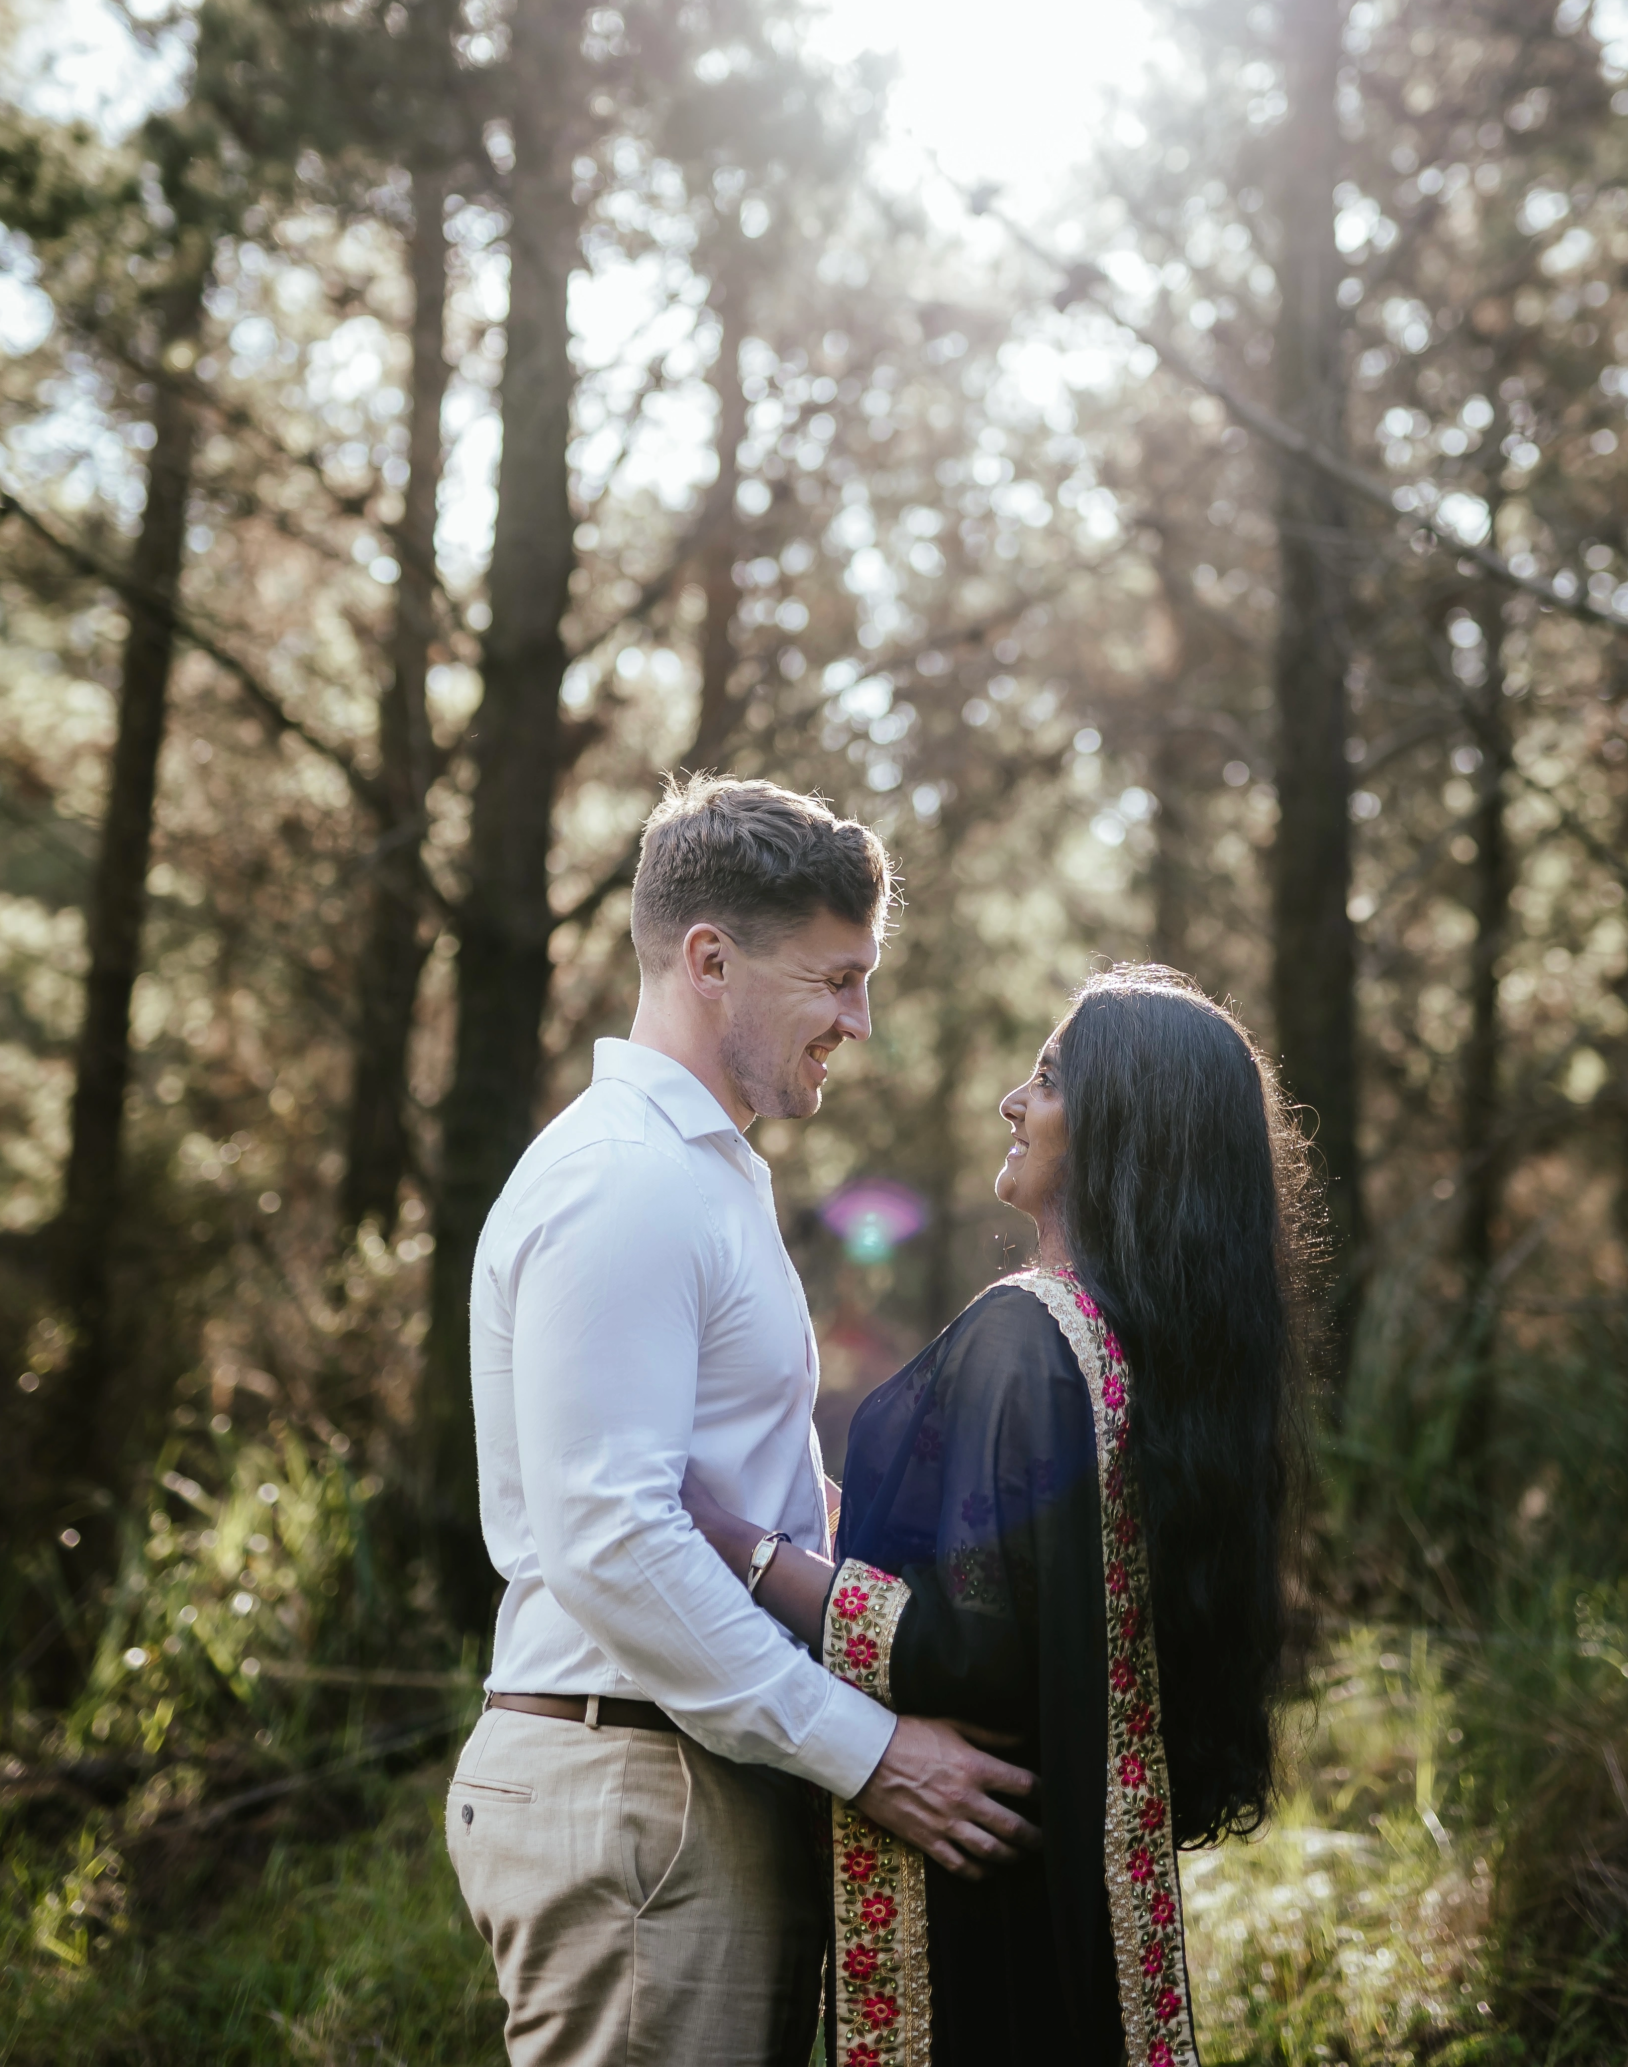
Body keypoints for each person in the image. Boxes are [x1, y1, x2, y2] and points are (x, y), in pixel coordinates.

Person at [447, 774, 1040, 2067]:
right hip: (638, 1793)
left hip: (680, 1778)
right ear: (711, 960)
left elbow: (719, 1491)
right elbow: (613, 1539)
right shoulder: (628, 1186)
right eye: (834, 979)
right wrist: (870, 1753)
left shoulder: (700, 1178)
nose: (860, 1021)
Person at [684, 964, 1310, 2067]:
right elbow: (1034, 1580)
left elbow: (970, 1646)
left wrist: (743, 1547)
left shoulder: (1025, 1334)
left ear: (1121, 1126)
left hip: (975, 1886)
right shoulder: (1137, 1355)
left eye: (1048, 1078)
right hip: (1074, 1887)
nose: (1014, 1103)